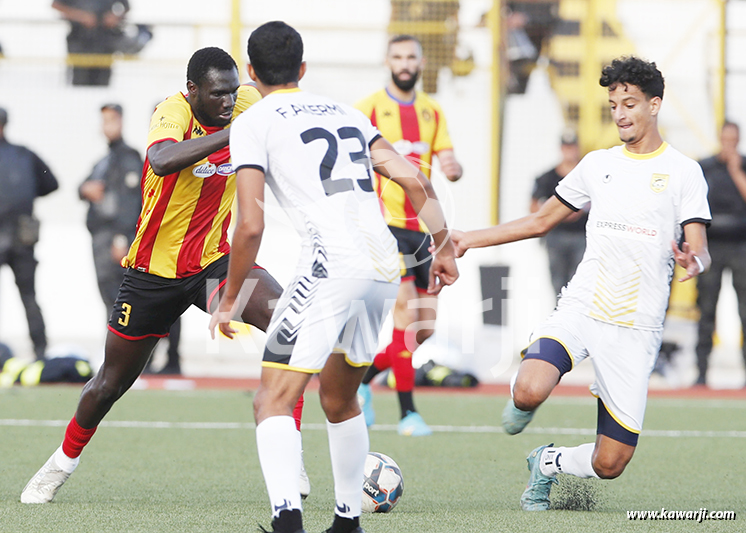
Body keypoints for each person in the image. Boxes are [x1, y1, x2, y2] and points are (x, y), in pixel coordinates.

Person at [20, 47, 308, 505]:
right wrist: (238, 133)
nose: (229, 101)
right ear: (193, 91)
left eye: (233, 92)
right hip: (152, 274)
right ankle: (59, 464)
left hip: (215, 264)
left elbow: (291, 118)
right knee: (109, 384)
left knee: (291, 325)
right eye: (218, 94)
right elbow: (162, 161)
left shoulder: (247, 103)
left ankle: (289, 451)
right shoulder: (171, 111)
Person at [211, 21, 458, 533]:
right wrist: (444, 246)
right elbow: (415, 178)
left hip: (330, 266)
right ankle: (347, 522)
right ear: (303, 69)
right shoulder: (348, 112)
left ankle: (287, 523)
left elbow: (250, 225)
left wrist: (230, 296)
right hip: (382, 266)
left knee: (271, 398)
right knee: (339, 398)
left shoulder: (253, 121)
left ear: (250, 74)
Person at [452, 56, 711, 510]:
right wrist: (469, 239)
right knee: (529, 389)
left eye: (629, 103)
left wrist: (696, 259)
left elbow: (699, 247)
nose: (621, 114)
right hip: (583, 306)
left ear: (654, 105)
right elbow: (539, 220)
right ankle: (522, 400)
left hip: (637, 328)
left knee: (610, 463)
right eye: (614, 105)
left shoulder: (684, 172)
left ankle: (548, 463)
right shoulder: (598, 165)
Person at [354, 34, 463, 436]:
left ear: (420, 62)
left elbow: (447, 157)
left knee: (424, 328)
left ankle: (362, 383)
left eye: (411, 57)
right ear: (387, 60)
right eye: (397, 56)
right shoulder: (367, 109)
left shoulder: (432, 110)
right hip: (385, 227)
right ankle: (407, 413)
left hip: (423, 232)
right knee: (404, 318)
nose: (404, 63)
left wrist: (453, 169)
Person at [78, 103, 182, 374]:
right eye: (104, 121)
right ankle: (122, 362)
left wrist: (123, 238)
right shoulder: (104, 161)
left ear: (122, 122)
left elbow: (130, 203)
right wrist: (85, 189)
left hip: (119, 240)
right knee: (113, 302)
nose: (107, 126)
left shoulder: (128, 157)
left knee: (127, 304)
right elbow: (82, 186)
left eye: (112, 120)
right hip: (103, 240)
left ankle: (133, 362)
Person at [0, 107, 59, 362]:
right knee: (29, 296)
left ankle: (40, 349)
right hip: (22, 236)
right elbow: (50, 183)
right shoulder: (24, 155)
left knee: (28, 296)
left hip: (16, 236)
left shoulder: (25, 154)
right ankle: (40, 350)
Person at [694, 121, 746, 387]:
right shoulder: (705, 168)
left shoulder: (743, 165)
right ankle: (701, 373)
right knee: (705, 310)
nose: (729, 145)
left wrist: (736, 171)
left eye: (733, 140)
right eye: (725, 139)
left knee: (744, 312)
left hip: (741, 245)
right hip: (711, 245)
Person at [530, 129, 587, 297]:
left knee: (580, 282)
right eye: (566, 147)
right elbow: (533, 205)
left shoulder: (587, 175)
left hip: (582, 236)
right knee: (558, 282)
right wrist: (557, 214)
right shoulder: (547, 177)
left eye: (572, 147)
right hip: (556, 236)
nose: (569, 151)